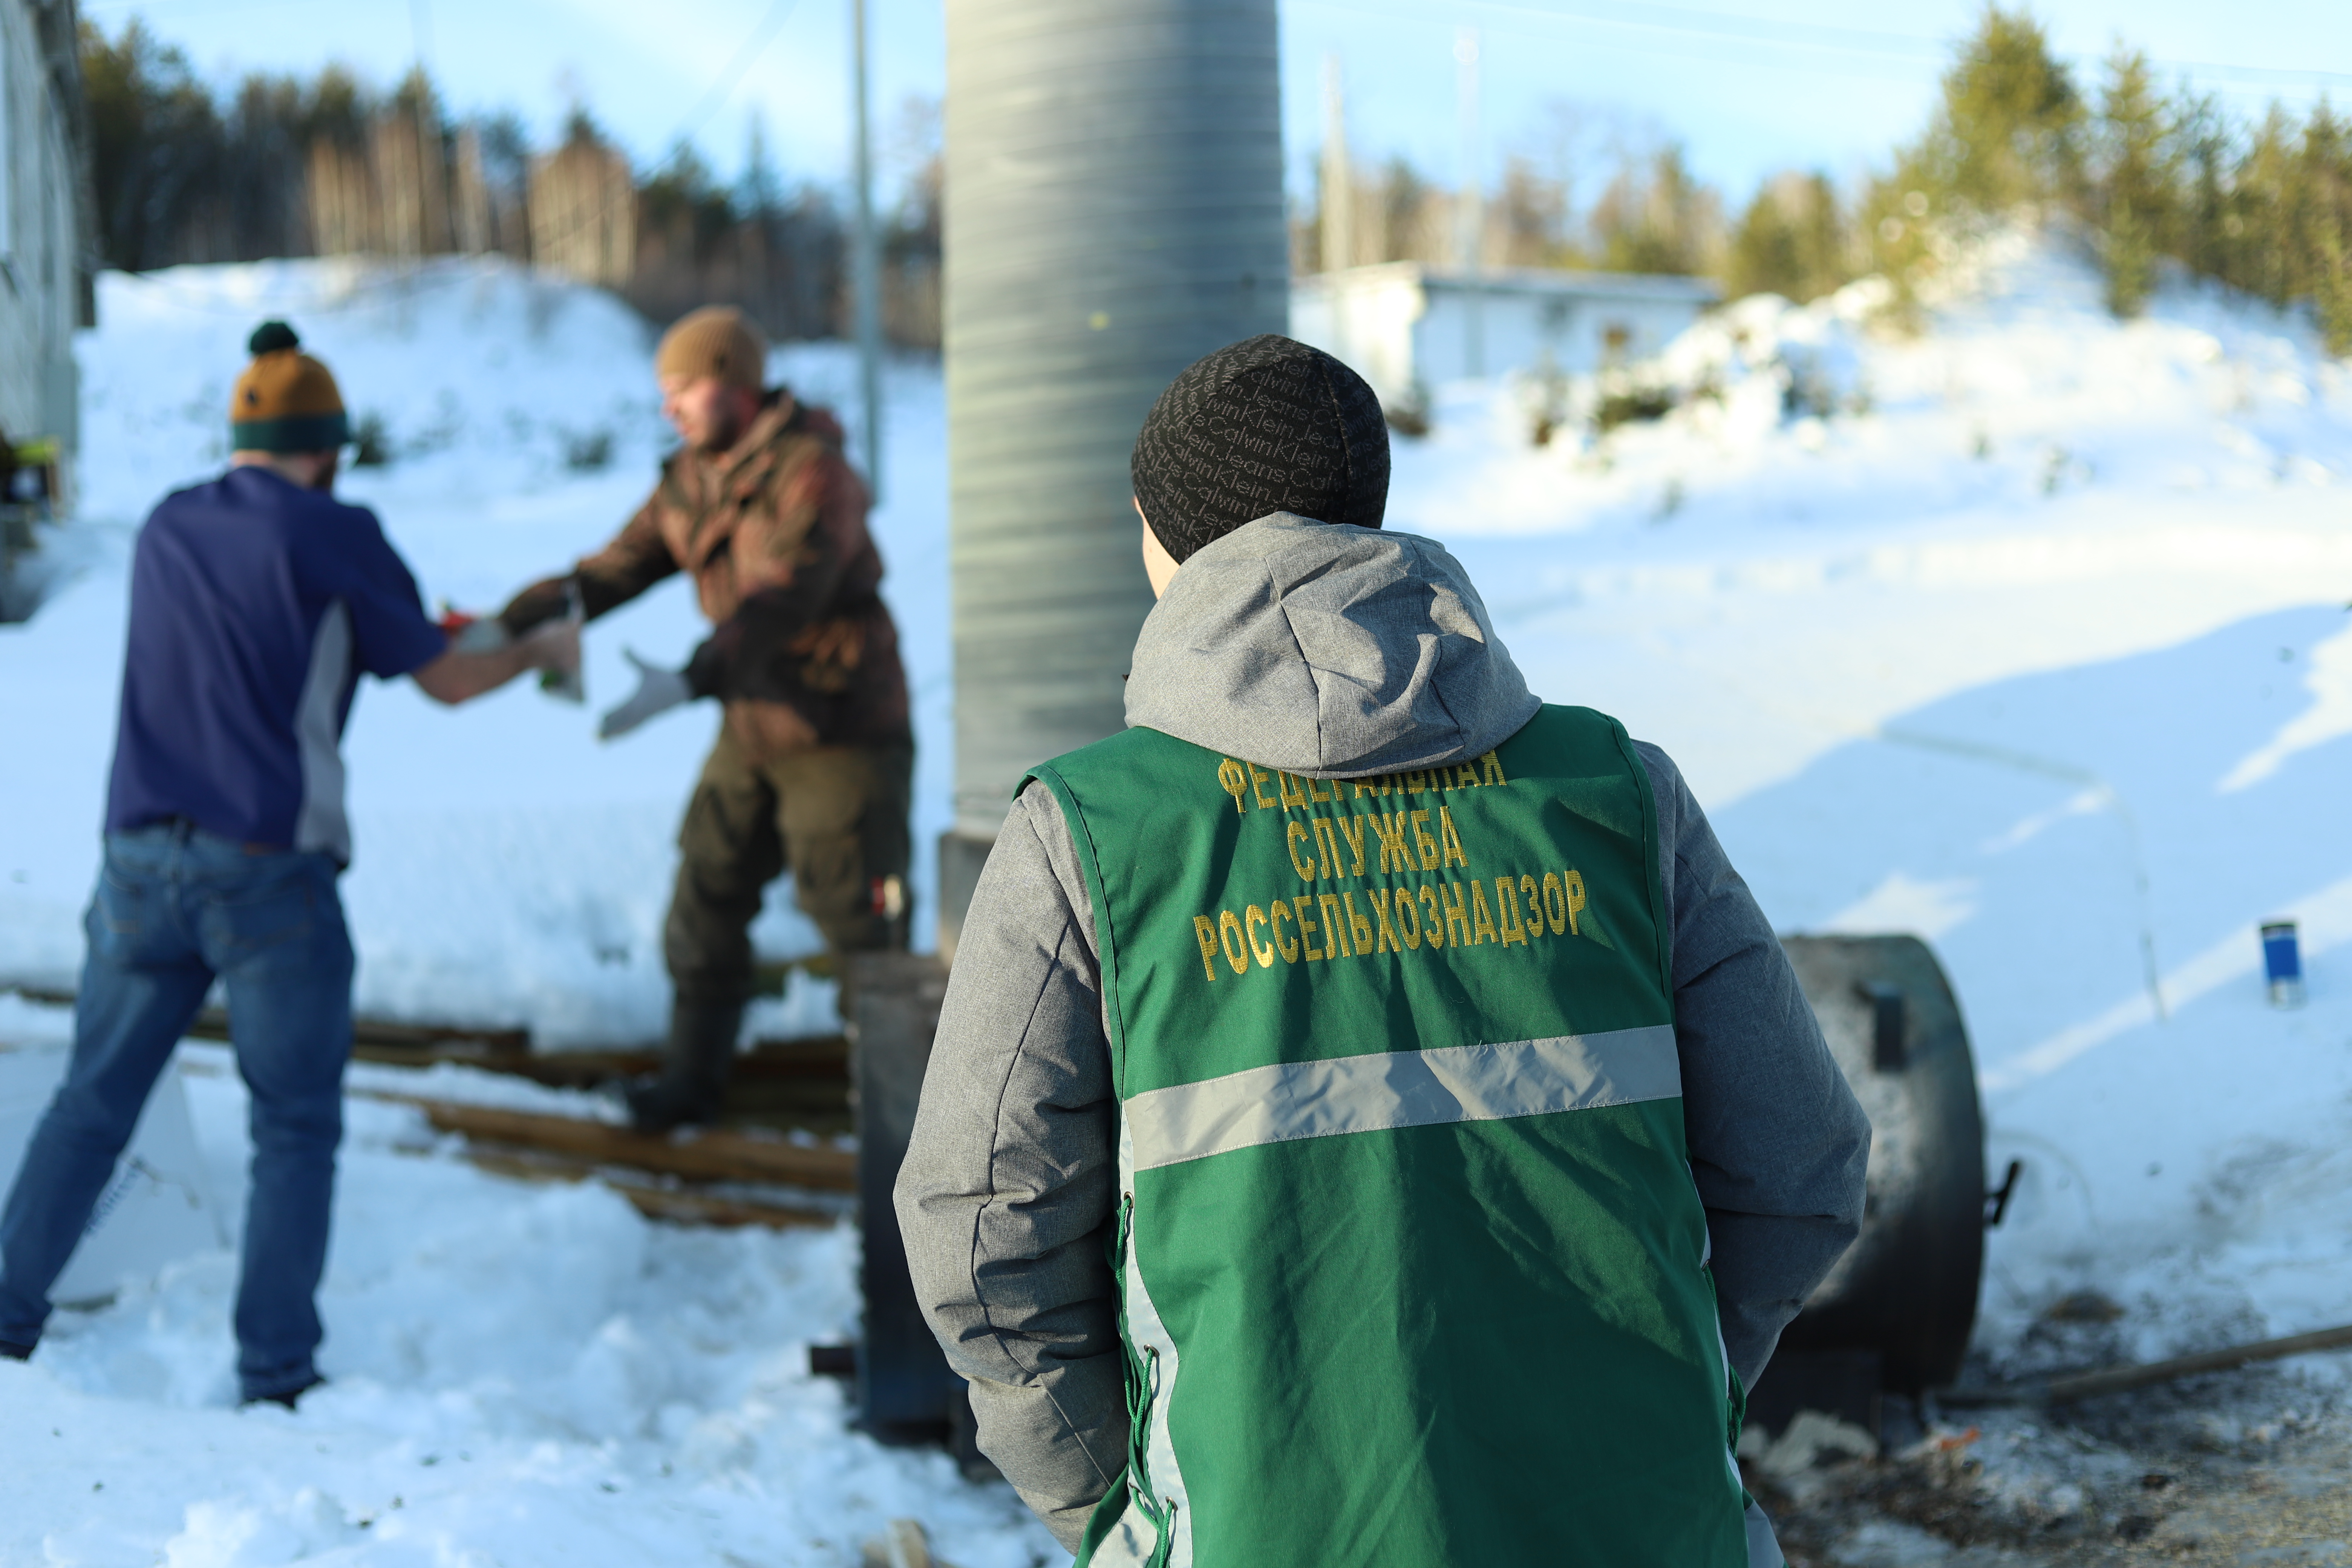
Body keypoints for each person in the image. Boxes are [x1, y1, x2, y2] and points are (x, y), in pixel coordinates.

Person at [895, 335, 1872, 1566]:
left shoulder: (1090, 836)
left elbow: (982, 1237)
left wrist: (1126, 1506)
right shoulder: (1617, 793)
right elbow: (1807, 1161)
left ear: (1164, 534)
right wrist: (1667, 1396)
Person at [0, 322, 577, 1406]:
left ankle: (2, 1329)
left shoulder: (168, 525)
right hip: (267, 873)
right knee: (294, 1129)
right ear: (330, 445)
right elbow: (448, 679)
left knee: (89, 1105)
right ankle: (274, 1376)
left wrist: (397, 625)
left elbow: (261, 638)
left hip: (135, 861)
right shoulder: (339, 529)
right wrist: (539, 650)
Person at [491, 306, 911, 1133]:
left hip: (841, 733)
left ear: (736, 383)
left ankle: (910, 1132)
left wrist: (691, 679)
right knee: (707, 896)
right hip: (751, 722)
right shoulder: (690, 479)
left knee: (864, 930)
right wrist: (513, 619)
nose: (669, 407)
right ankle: (690, 1085)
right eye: (665, 391)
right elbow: (617, 569)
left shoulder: (817, 475)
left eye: (683, 387)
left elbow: (783, 601)